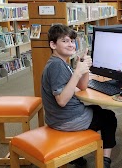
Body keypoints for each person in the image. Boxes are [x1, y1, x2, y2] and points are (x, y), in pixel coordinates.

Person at [41, 24, 117, 168]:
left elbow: (82, 86)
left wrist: (84, 67)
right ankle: (105, 162)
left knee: (96, 109)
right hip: (65, 119)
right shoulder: (56, 66)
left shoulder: (61, 62)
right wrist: (77, 72)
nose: (70, 45)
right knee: (108, 117)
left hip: (56, 118)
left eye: (72, 41)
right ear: (53, 44)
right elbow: (62, 100)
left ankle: (77, 156)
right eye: (64, 41)